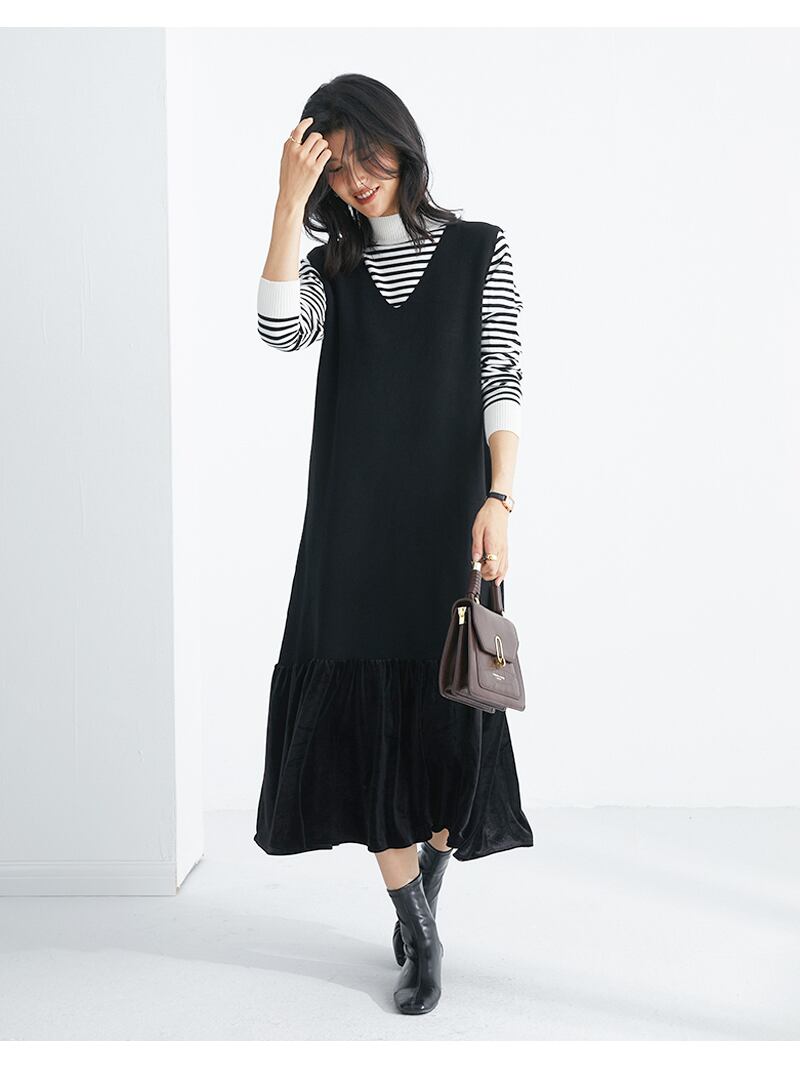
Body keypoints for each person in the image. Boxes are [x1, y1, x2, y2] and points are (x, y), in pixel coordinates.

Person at [253, 73, 533, 1016]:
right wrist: (287, 203)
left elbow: (501, 375)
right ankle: (419, 926)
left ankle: (427, 888)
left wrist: (500, 497)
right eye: (336, 167)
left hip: (449, 515)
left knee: (452, 710)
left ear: (401, 144)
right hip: (351, 526)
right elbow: (278, 332)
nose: (357, 177)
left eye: (366, 153)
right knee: (365, 720)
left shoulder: (479, 249)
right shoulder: (330, 267)